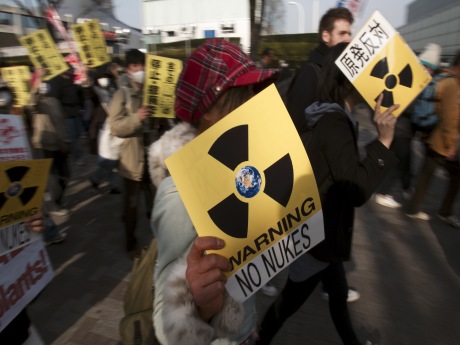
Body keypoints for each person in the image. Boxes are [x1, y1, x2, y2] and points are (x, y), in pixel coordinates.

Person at [257, 42, 399, 345]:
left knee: (336, 296)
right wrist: (384, 142)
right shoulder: (334, 123)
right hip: (318, 236)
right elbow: (355, 187)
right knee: (288, 304)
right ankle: (256, 340)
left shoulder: (328, 114)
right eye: (367, 73)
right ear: (351, 81)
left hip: (324, 231)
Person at [148, 38, 278, 344]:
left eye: (252, 92)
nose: (253, 101)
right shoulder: (178, 193)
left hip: (246, 327)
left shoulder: (241, 163)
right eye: (242, 93)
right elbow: (166, 323)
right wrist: (202, 307)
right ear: (208, 110)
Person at [109, 49, 157, 257]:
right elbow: (116, 127)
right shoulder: (122, 93)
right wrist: (137, 118)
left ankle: (160, 239)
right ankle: (130, 243)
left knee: (156, 200)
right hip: (131, 159)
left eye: (142, 65)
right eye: (135, 66)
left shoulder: (153, 90)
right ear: (128, 70)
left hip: (152, 155)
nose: (140, 70)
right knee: (132, 205)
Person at [405, 46, 460, 227]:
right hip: (441, 141)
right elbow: (451, 117)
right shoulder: (452, 84)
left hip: (432, 134)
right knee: (455, 176)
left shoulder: (442, 77)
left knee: (426, 173)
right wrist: (451, 145)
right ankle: (443, 211)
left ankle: (414, 208)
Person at [287, 7, 353, 132]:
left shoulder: (336, 73)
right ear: (325, 36)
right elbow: (296, 125)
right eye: (342, 33)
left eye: (349, 34)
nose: (348, 39)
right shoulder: (310, 73)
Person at [89, 69, 121, 194]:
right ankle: (96, 178)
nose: (104, 79)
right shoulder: (97, 93)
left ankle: (113, 185)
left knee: (116, 157)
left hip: (117, 126)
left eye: (106, 77)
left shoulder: (114, 90)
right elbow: (88, 90)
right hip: (103, 128)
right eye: (101, 77)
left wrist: (116, 75)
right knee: (108, 159)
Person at [49, 67, 86, 165]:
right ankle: (76, 157)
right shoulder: (56, 81)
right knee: (72, 136)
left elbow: (80, 93)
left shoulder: (73, 78)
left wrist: (81, 107)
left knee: (78, 134)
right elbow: (55, 98)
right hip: (65, 112)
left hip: (76, 111)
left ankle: (76, 153)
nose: (68, 70)